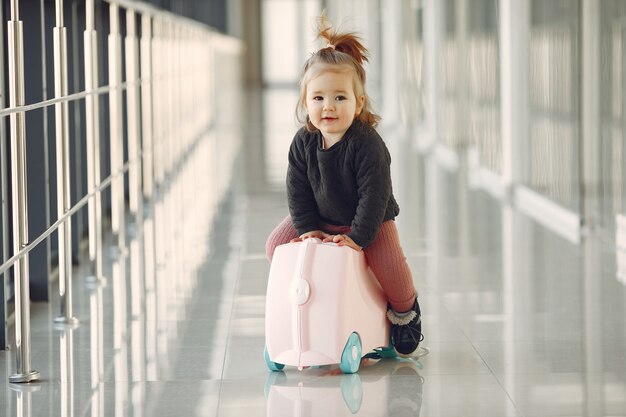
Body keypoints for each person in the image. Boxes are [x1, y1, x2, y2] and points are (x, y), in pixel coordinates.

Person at [265, 15, 423, 356]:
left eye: (340, 98)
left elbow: (374, 195)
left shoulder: (366, 143)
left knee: (391, 271)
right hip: (320, 215)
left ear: (359, 103)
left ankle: (405, 313)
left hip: (368, 218)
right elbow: (297, 190)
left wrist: (358, 238)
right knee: (276, 246)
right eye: (319, 98)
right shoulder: (303, 142)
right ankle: (310, 300)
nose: (329, 107)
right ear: (306, 102)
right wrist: (307, 229)